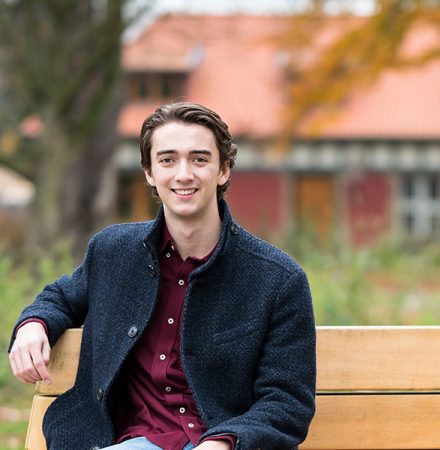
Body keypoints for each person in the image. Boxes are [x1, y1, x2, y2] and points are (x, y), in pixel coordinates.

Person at [8, 102, 316, 450]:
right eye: (167, 160)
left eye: (199, 159)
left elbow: (287, 402)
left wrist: (225, 442)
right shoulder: (113, 251)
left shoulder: (278, 280)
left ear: (223, 170)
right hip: (116, 440)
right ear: (149, 173)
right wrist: (33, 325)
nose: (183, 174)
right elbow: (62, 297)